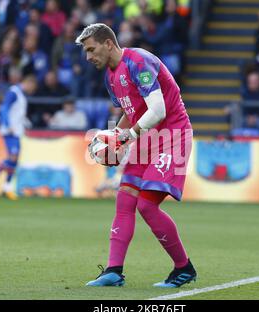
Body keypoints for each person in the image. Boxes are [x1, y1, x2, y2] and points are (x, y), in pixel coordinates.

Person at [76, 23, 196, 288]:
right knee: (124, 200)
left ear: (108, 44)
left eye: (91, 49)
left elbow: (157, 110)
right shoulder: (110, 75)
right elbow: (132, 113)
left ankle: (184, 268)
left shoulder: (138, 61)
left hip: (171, 136)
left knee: (146, 205)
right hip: (146, 138)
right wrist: (113, 139)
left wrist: (126, 138)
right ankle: (113, 271)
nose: (88, 57)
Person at [0, 75, 37, 200]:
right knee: (12, 157)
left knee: (14, 159)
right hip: (10, 131)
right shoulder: (14, 92)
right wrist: (8, 125)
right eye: (33, 87)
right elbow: (4, 108)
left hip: (17, 131)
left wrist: (25, 126)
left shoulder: (21, 95)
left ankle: (7, 187)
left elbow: (18, 114)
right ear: (28, 83)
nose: (33, 90)